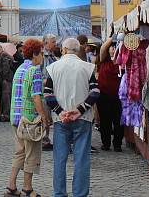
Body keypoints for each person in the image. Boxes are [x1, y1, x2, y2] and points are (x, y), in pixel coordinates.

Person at [45, 38, 100, 197]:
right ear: (78, 50)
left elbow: (48, 93)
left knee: (60, 160)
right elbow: (95, 92)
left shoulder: (53, 68)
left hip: (61, 120)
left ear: (63, 50)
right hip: (82, 118)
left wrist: (60, 111)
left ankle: (59, 194)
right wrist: (79, 110)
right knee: (81, 160)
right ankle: (80, 194)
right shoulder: (88, 67)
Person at [5, 38, 51, 197]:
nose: (43, 57)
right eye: (42, 54)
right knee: (31, 154)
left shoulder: (20, 68)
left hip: (16, 117)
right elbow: (36, 96)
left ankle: (11, 186)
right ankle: (27, 188)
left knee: (19, 152)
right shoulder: (35, 70)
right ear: (36, 54)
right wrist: (44, 117)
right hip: (29, 118)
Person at [96, 37, 123, 152]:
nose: (113, 48)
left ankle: (117, 144)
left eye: (115, 46)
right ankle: (105, 143)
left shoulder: (122, 60)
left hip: (119, 96)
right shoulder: (104, 59)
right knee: (105, 121)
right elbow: (102, 48)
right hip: (104, 95)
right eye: (112, 47)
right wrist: (113, 38)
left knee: (118, 121)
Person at [40, 34, 58, 151]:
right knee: (44, 116)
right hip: (44, 91)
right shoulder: (42, 56)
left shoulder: (51, 55)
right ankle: (43, 141)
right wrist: (45, 80)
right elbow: (39, 73)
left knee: (48, 117)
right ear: (46, 43)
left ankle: (46, 140)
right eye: (54, 42)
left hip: (50, 91)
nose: (55, 44)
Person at [0, 44, 15, 122]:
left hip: (6, 79)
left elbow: (5, 67)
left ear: (0, 49)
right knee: (6, 97)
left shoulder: (3, 55)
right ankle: (6, 114)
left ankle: (6, 115)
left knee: (6, 97)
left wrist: (4, 78)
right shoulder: (3, 55)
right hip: (7, 79)